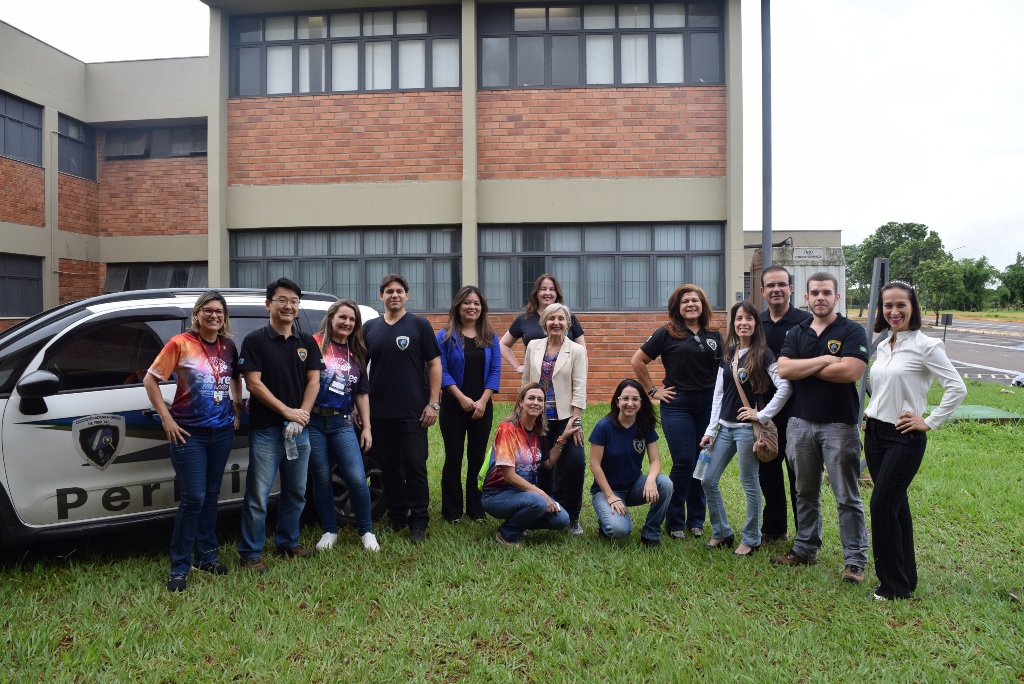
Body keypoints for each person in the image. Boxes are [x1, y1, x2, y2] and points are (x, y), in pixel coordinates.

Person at [864, 281, 966, 600]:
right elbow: (883, 388)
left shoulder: (927, 346)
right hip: (875, 434)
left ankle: (892, 586)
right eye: (888, 305)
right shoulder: (884, 345)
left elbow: (957, 387)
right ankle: (906, 577)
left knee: (881, 506)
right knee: (896, 506)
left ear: (913, 307)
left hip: (904, 436)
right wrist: (873, 413)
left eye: (901, 305)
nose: (894, 311)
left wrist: (929, 421)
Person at [773, 272, 870, 585]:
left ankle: (855, 561)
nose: (820, 298)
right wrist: (828, 359)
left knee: (846, 496)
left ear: (836, 297)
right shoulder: (797, 331)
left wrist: (804, 365)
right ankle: (805, 549)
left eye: (826, 292)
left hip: (839, 424)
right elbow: (784, 369)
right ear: (806, 297)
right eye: (814, 293)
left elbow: (851, 372)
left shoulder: (852, 330)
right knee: (805, 492)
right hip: (799, 422)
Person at [145, 291, 242, 592]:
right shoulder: (180, 343)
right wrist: (166, 419)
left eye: (219, 311)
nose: (214, 316)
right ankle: (179, 565)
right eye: (208, 310)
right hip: (188, 433)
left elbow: (235, 377)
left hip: (222, 432)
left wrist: (237, 407)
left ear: (224, 317)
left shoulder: (228, 346)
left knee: (211, 495)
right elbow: (150, 379)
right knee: (194, 498)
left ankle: (207, 556)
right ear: (197, 314)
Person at [237, 278, 325, 573]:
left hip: (299, 430)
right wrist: (288, 411)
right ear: (268, 304)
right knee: (258, 496)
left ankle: (287, 541)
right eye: (282, 300)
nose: (289, 306)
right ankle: (250, 552)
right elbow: (253, 384)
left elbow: (314, 381)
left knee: (296, 492)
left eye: (294, 301)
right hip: (266, 429)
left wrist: (303, 414)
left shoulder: (307, 342)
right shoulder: (255, 340)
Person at [699, 301, 791, 556]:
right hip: (725, 429)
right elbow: (718, 394)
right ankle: (722, 532)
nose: (743, 323)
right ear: (733, 323)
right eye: (739, 318)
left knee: (749, 483)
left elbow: (785, 386)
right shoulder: (728, 353)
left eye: (749, 318)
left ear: (755, 324)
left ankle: (751, 538)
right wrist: (710, 430)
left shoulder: (764, 354)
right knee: (708, 479)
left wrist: (761, 415)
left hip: (747, 431)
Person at [631, 284, 722, 539]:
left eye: (695, 300)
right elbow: (638, 360)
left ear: (702, 305)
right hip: (678, 404)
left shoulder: (714, 334)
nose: (691, 304)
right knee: (684, 462)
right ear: (677, 307)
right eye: (685, 302)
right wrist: (653, 391)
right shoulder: (666, 333)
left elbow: (723, 370)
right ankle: (674, 520)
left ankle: (696, 519)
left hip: (708, 405)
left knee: (702, 461)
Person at [363, 274, 441, 544]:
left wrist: (433, 403)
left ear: (407, 295)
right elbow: (359, 368)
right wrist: (358, 406)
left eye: (399, 291)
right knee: (389, 469)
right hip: (379, 413)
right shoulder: (370, 328)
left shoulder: (420, 325)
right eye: (389, 291)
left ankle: (418, 522)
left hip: (413, 413)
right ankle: (396, 517)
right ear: (381, 296)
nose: (394, 295)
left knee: (415, 467)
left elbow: (434, 364)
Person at [308, 299, 380, 553]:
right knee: (321, 478)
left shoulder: (356, 352)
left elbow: (361, 393)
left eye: (352, 319)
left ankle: (366, 531)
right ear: (331, 318)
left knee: (357, 479)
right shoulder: (314, 344)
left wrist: (367, 427)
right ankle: (330, 530)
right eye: (343, 317)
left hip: (343, 423)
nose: (347, 323)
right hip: (313, 422)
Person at [481, 383, 577, 546]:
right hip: (496, 495)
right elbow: (509, 476)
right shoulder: (507, 430)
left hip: (524, 494)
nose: (535, 403)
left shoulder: (539, 431)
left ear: (543, 405)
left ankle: (521, 522)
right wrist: (542, 494)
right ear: (521, 402)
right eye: (531, 398)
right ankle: (506, 534)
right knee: (539, 502)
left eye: (540, 400)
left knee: (562, 520)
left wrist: (564, 437)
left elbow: (548, 463)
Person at [436, 286, 501, 524]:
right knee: (453, 458)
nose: (471, 307)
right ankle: (452, 511)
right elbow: (441, 370)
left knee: (477, 458)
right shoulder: (444, 336)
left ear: (482, 308)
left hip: (482, 408)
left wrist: (482, 401)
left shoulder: (490, 336)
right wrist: (461, 397)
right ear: (458, 306)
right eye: (467, 303)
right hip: (453, 406)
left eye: (476, 303)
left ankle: (476, 509)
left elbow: (495, 371)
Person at [522, 303, 588, 534]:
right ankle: (541, 512)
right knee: (540, 466)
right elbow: (526, 383)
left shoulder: (576, 350)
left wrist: (575, 423)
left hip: (565, 419)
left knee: (575, 464)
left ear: (568, 323)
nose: (556, 323)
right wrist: (523, 416)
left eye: (561, 319)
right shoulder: (533, 346)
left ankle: (572, 517)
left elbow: (579, 388)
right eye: (551, 319)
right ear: (544, 322)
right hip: (537, 418)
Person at [758, 266, 813, 543]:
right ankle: (774, 528)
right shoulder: (756, 323)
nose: (776, 289)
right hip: (765, 411)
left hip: (798, 410)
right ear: (762, 291)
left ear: (791, 288)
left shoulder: (806, 322)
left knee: (799, 476)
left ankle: (805, 533)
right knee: (768, 470)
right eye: (771, 285)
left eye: (781, 284)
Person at [589, 379, 673, 547]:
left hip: (634, 486)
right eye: (625, 398)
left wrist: (650, 480)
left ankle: (651, 532)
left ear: (641, 402)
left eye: (635, 399)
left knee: (665, 483)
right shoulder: (603, 426)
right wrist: (610, 496)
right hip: (606, 491)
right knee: (619, 531)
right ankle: (605, 522)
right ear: (617, 401)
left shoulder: (644, 425)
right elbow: (594, 464)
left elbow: (655, 460)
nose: (630, 403)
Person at [499, 273, 586, 373]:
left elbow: (582, 351)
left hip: (565, 378)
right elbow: (503, 344)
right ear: (536, 293)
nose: (547, 293)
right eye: (543, 289)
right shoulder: (524, 319)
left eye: (552, 289)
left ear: (557, 293)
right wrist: (517, 366)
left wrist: (582, 379)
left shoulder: (569, 318)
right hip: (534, 379)